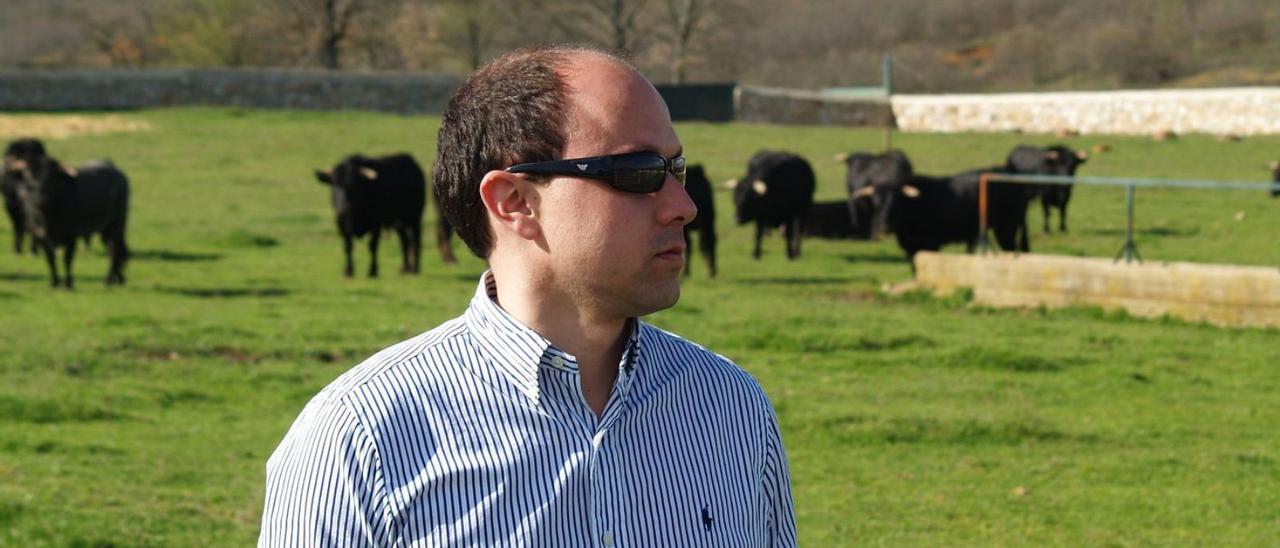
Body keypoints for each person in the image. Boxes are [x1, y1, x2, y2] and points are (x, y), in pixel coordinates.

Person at [259, 45, 796, 546]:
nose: (684, 206)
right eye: (639, 172)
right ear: (515, 201)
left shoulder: (732, 408)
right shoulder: (359, 439)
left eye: (675, 169)